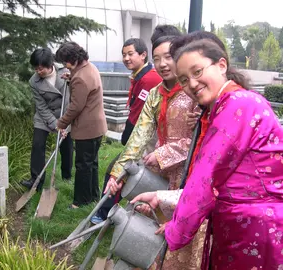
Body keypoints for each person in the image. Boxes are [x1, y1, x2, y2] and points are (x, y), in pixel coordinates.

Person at [132, 38, 283, 270]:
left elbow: (206, 177)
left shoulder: (238, 105)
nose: (191, 83)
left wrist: (174, 228)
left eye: (198, 71)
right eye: (183, 80)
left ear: (221, 65)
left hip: (254, 225)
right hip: (240, 222)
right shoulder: (226, 105)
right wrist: (163, 199)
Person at [106, 31, 208, 269]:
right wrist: (118, 172)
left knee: (181, 235)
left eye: (169, 57)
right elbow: (139, 137)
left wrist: (163, 153)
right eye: (157, 58)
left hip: (190, 173)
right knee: (151, 228)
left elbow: (202, 141)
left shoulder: (195, 91)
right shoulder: (155, 93)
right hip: (160, 173)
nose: (162, 64)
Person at [90, 37, 162, 224]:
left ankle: (105, 213)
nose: (126, 58)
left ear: (143, 55)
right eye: (124, 55)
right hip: (142, 140)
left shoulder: (150, 79)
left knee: (117, 173)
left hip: (148, 143)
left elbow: (139, 116)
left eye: (130, 54)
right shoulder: (139, 76)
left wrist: (128, 139)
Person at [55, 42, 107, 209]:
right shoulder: (90, 68)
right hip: (97, 126)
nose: (65, 66)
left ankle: (80, 201)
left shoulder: (80, 78)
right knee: (91, 163)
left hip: (87, 128)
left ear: (73, 59)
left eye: (65, 62)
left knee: (83, 165)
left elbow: (76, 106)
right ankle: (92, 195)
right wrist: (71, 79)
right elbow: (85, 87)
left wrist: (61, 123)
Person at [21, 48, 73, 190]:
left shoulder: (65, 71)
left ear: (50, 64)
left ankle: (66, 177)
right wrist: (56, 125)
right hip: (45, 116)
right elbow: (41, 107)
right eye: (36, 69)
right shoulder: (34, 81)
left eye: (41, 68)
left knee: (67, 145)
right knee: (37, 145)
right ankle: (36, 180)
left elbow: (74, 94)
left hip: (65, 113)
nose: (38, 72)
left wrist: (64, 123)